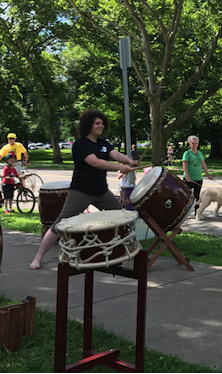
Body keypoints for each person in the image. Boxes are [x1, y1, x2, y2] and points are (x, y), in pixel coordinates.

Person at [29, 109, 139, 270]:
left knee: (123, 217)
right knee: (60, 223)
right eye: (97, 123)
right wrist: (121, 168)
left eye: (102, 123)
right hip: (81, 192)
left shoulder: (103, 144)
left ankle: (124, 250)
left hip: (101, 192)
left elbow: (115, 154)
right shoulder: (81, 144)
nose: (101, 126)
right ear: (88, 125)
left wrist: (129, 161)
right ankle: (38, 257)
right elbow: (95, 163)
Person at [182, 135, 212, 218]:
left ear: (198, 144)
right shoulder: (187, 153)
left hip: (198, 178)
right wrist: (187, 177)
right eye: (192, 143)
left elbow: (203, 164)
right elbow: (184, 165)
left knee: (197, 196)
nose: (194, 144)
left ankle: (197, 213)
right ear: (190, 143)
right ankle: (186, 213)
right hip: (189, 179)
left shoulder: (200, 153)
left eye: (196, 143)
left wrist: (208, 174)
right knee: (188, 196)